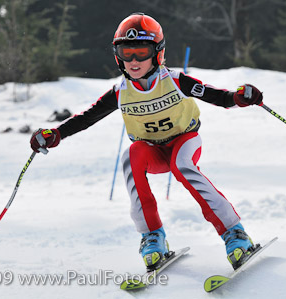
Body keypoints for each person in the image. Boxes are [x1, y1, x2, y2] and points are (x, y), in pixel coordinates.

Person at [30, 12, 263, 271]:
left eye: (141, 52)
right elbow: (86, 117)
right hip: (152, 150)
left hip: (184, 141)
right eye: (125, 52)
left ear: (157, 53)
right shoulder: (120, 93)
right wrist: (56, 134)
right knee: (131, 156)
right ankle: (152, 235)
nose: (133, 60)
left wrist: (240, 97)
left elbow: (218, 96)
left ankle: (234, 232)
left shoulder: (175, 81)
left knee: (182, 165)